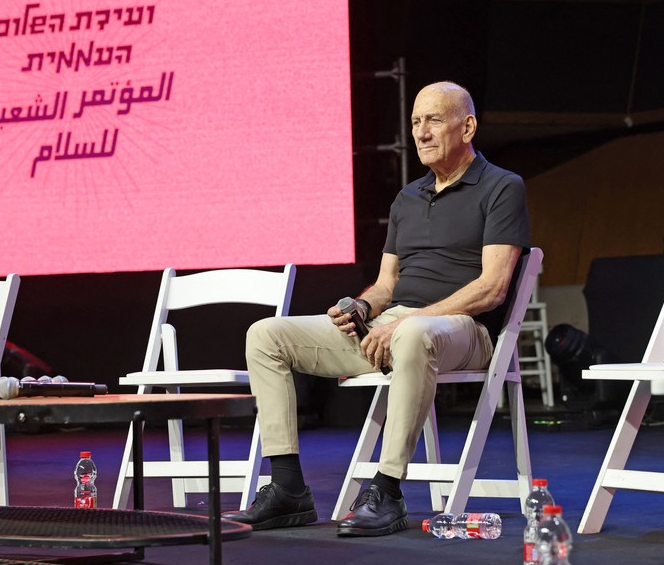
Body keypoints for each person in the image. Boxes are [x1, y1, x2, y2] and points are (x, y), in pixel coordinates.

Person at [223, 80, 530, 537]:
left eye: (433, 120)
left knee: (411, 333)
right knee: (266, 334)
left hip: (464, 332)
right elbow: (387, 284)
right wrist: (361, 305)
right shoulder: (408, 198)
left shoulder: (502, 187)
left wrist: (408, 320)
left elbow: (492, 287)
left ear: (467, 127)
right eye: (415, 123)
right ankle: (288, 488)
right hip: (395, 327)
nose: (421, 133)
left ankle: (386, 491)